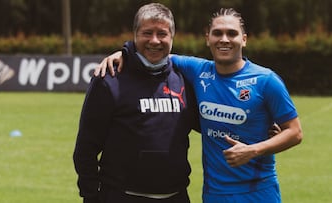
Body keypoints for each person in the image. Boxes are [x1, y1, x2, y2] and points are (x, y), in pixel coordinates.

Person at [95, 7, 303, 203]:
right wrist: (123, 53)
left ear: (244, 39)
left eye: (232, 33)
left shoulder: (266, 80)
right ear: (208, 39)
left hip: (256, 191)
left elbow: (295, 132)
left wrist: (255, 150)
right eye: (217, 33)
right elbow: (156, 51)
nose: (224, 39)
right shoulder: (197, 70)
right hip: (213, 193)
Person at [73, 3, 200, 203]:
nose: (154, 40)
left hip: (176, 196)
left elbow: (211, 123)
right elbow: (85, 148)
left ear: (172, 37)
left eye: (162, 34)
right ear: (135, 35)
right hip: (120, 196)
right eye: (147, 33)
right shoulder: (110, 79)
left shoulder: (184, 79)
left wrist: (261, 128)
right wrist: (90, 195)